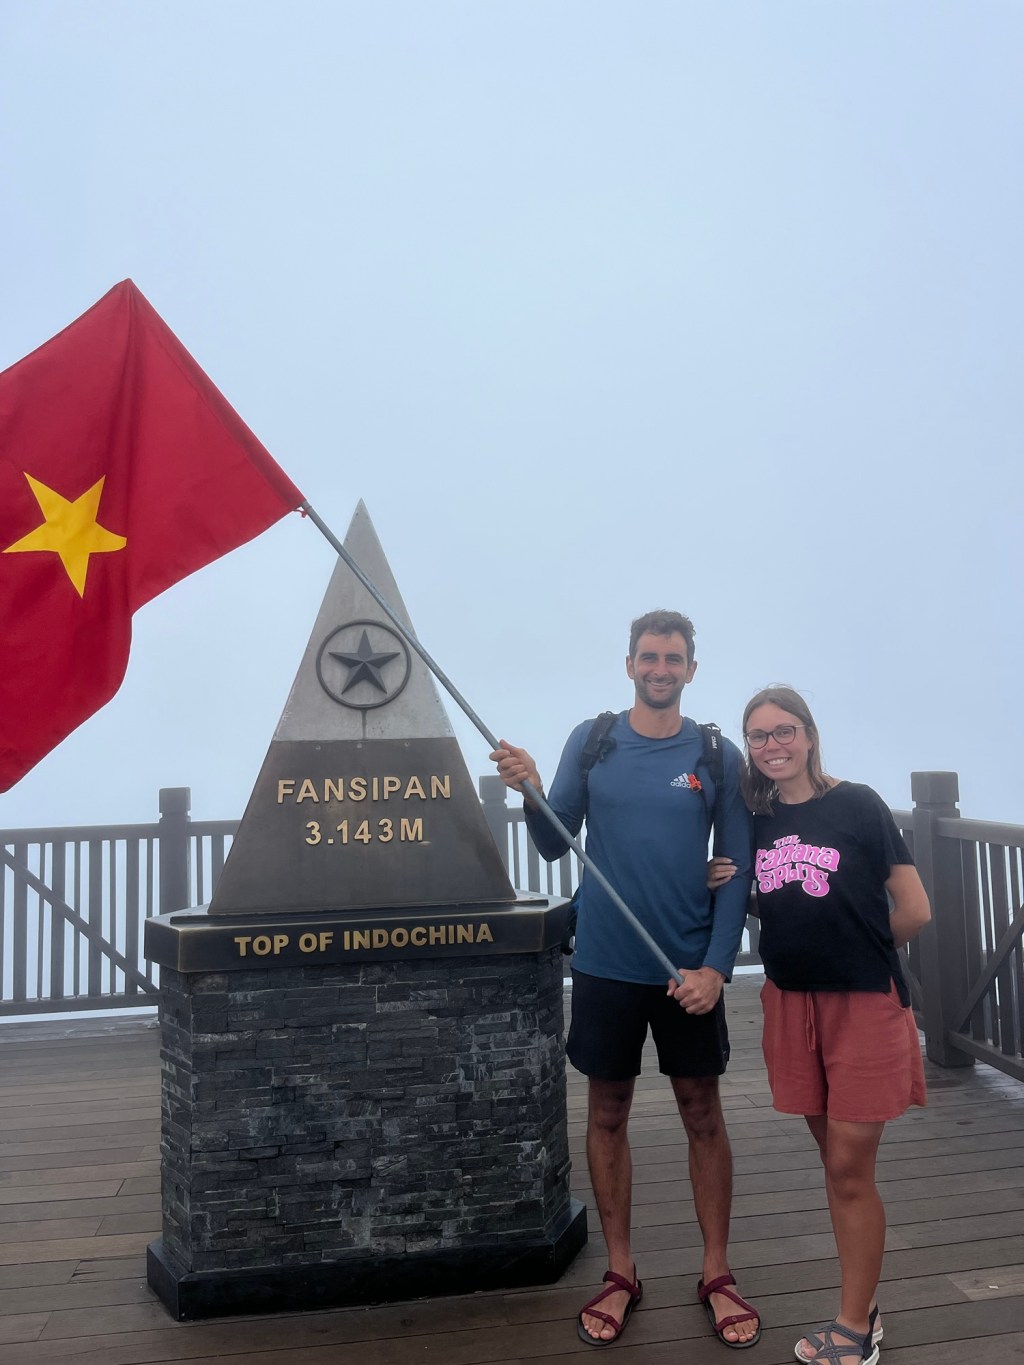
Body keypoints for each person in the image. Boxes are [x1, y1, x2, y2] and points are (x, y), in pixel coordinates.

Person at [490, 610, 759, 1348]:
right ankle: (620, 1270)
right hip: (605, 962)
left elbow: (737, 867)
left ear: (691, 669)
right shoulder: (594, 739)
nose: (660, 668)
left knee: (702, 1112)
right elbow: (553, 841)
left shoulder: (716, 753)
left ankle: (716, 1271)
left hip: (686, 969)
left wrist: (717, 968)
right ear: (630, 663)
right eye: (649, 656)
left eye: (673, 658)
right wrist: (530, 788)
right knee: (607, 1111)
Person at [692, 685, 930, 1365]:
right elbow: (783, 894)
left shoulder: (857, 804)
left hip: (863, 1002)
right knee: (836, 1163)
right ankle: (863, 1307)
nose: (772, 745)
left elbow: (914, 907)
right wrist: (722, 883)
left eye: (784, 731)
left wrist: (860, 946)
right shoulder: (757, 819)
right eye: (758, 735)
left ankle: (855, 1328)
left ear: (808, 734)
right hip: (793, 1004)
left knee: (850, 1166)